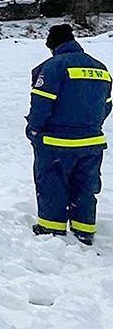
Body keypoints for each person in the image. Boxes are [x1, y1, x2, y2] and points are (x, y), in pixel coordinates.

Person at [26, 24, 111, 246]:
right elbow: (107, 104)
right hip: (92, 142)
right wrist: (90, 125)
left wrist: (34, 129)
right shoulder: (100, 67)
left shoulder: (53, 67)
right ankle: (84, 231)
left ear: (53, 43)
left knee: (53, 183)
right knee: (85, 187)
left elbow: (41, 104)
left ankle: (51, 229)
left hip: (57, 142)